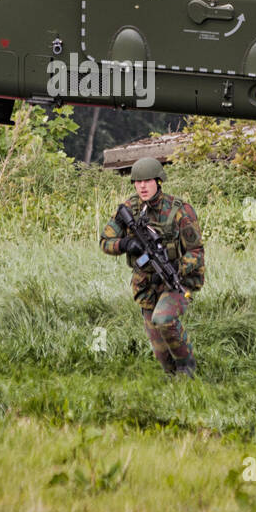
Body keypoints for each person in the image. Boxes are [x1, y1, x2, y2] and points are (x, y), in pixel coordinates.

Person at [100, 157, 204, 377]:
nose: (142, 186)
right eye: (137, 182)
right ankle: (172, 378)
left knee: (164, 319)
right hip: (146, 283)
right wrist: (126, 243)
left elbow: (196, 252)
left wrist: (177, 267)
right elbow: (105, 242)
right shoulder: (129, 209)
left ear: (158, 181)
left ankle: (188, 367)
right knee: (159, 348)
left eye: (147, 181)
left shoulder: (179, 210)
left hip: (175, 278)